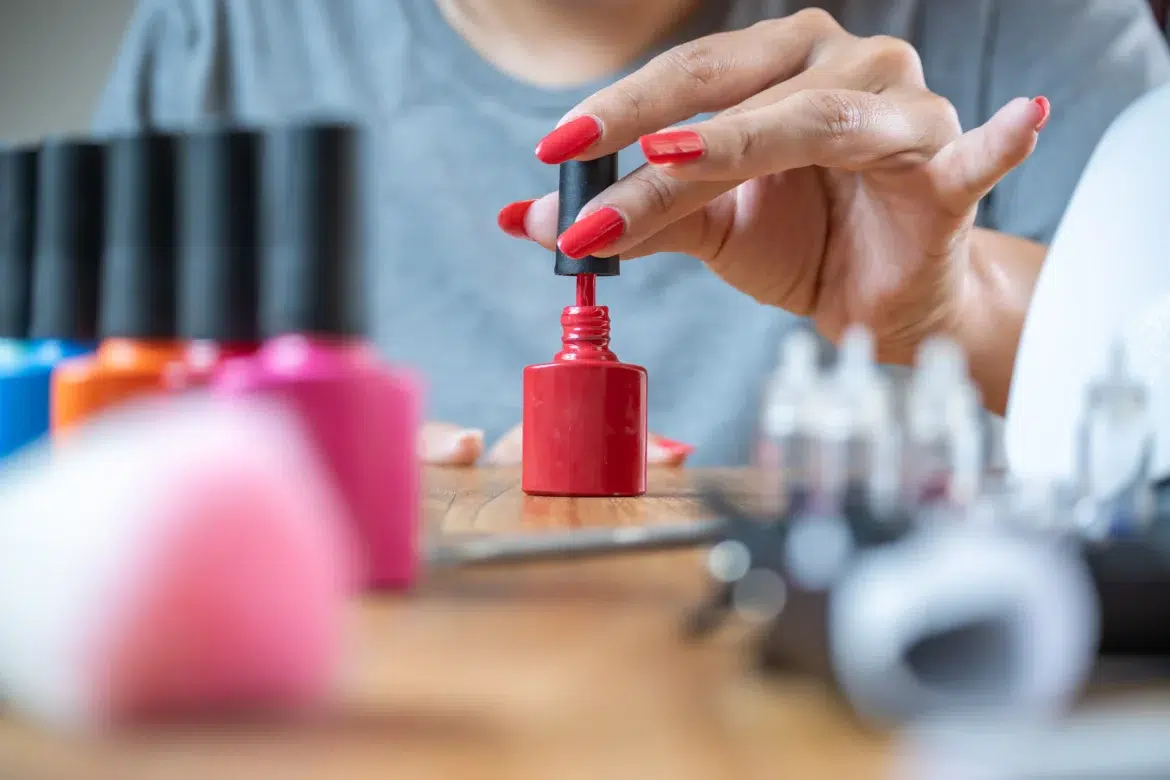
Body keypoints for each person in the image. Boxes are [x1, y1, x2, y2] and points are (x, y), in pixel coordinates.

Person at [95, 0, 1170, 467]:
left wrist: (952, 307)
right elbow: (79, 440)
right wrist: (242, 470)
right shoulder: (218, 36)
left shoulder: (1020, 26)